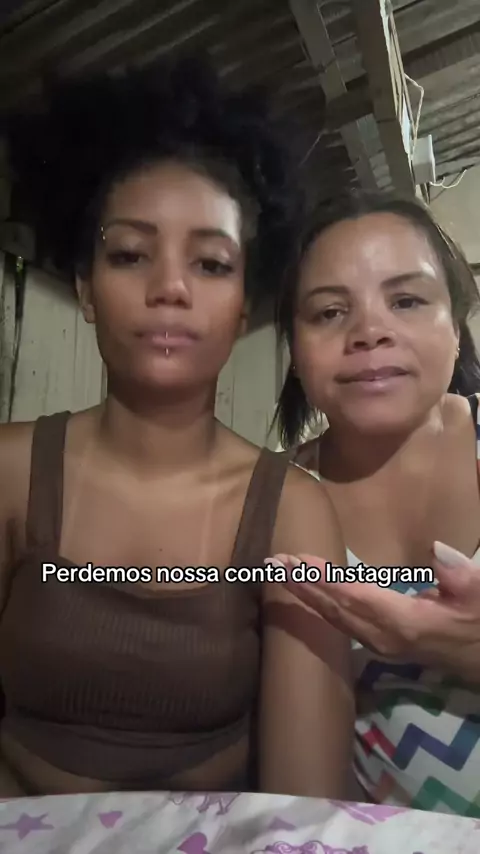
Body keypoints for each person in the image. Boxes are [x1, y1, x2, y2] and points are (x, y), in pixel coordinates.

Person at [0, 57, 353, 797]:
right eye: (130, 255)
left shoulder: (293, 510)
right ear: (86, 290)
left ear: (245, 307)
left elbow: (302, 806)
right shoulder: (9, 471)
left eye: (212, 264)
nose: (169, 287)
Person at [271, 190, 480, 816]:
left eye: (407, 300)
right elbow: (300, 791)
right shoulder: (277, 500)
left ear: (456, 324)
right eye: (330, 312)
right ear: (295, 350)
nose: (369, 332)